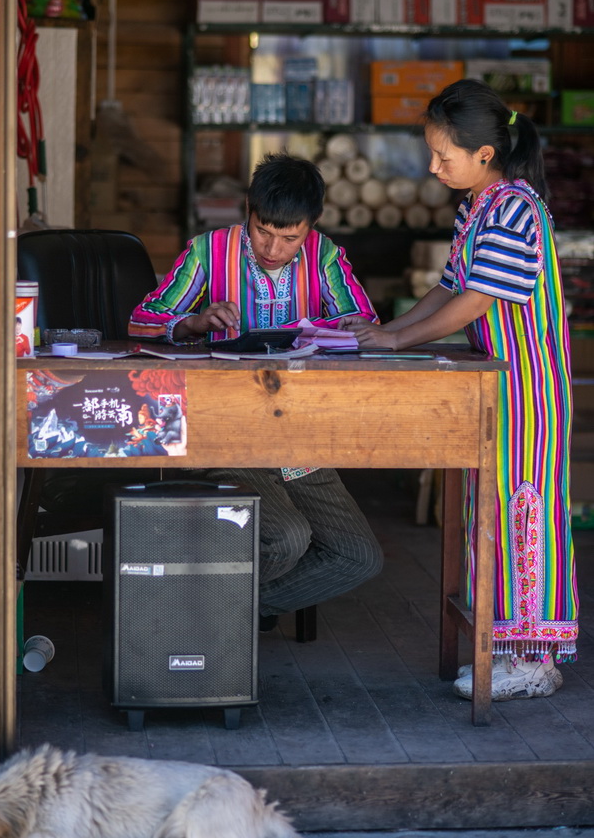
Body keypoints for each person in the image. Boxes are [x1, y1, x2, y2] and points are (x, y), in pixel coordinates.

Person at [341, 78, 577, 700]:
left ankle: (535, 659)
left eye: (443, 155)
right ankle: (502, 646)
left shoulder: (516, 208)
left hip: (527, 389)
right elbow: (449, 286)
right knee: (489, 514)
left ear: (484, 154)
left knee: (527, 512)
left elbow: (477, 301)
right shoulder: (480, 207)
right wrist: (385, 330)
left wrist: (398, 343)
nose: (433, 165)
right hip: (493, 387)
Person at [129, 152, 384, 629]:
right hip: (228, 437)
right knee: (286, 537)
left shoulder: (324, 254)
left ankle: (214, 612)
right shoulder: (209, 250)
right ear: (248, 208)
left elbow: (363, 323)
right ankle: (207, 621)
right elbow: (143, 321)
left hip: (299, 439)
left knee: (359, 557)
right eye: (263, 230)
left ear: (312, 226)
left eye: (290, 238)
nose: (273, 247)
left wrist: (319, 329)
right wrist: (194, 322)